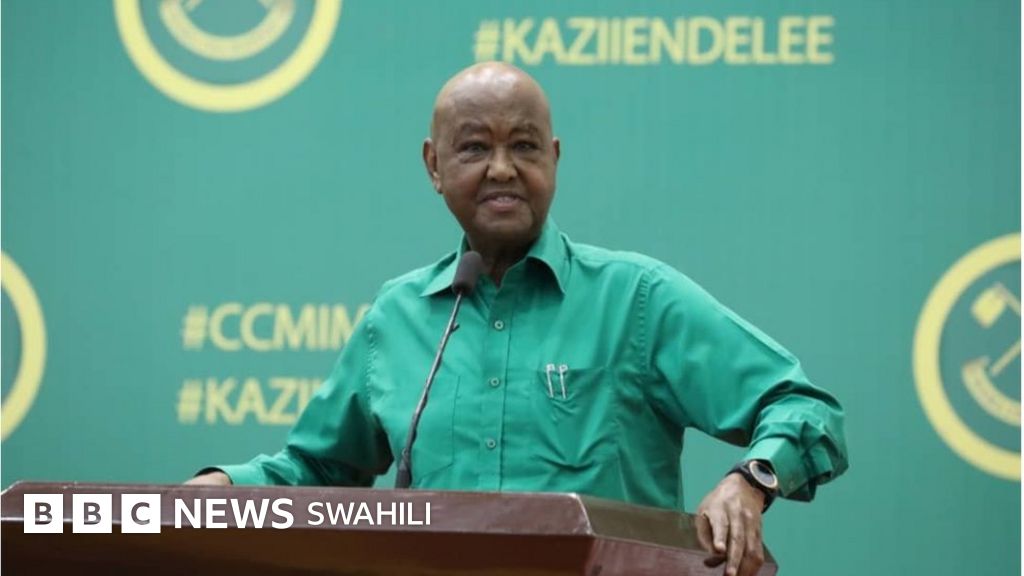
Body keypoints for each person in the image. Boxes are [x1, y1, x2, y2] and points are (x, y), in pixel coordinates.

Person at [188, 62, 848, 576]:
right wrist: (220, 489)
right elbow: (321, 472)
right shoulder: (397, 317)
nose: (502, 169)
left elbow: (803, 407)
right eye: (475, 147)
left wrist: (752, 481)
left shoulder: (636, 299)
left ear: (553, 159)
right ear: (434, 166)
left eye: (524, 146)